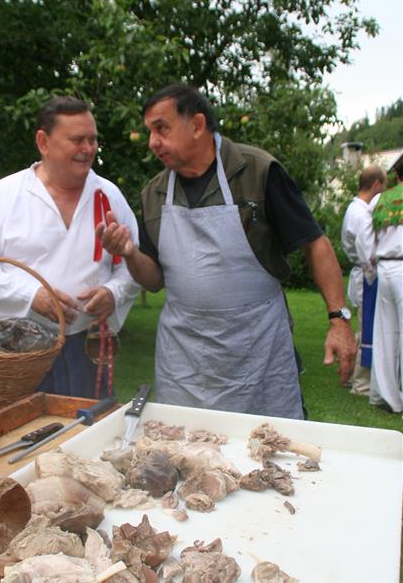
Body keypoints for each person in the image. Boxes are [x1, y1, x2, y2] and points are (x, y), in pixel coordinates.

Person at [97, 83, 357, 418]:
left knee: (265, 441)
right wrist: (130, 253)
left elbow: (314, 242)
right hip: (184, 357)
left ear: (197, 125)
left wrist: (338, 319)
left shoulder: (257, 172)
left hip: (258, 347)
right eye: (149, 131)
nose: (152, 142)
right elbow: (154, 280)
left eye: (161, 128)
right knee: (185, 442)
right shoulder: (155, 193)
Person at [0, 96, 140, 398]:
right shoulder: (6, 195)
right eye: (77, 140)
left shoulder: (109, 195)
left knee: (90, 424)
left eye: (93, 140)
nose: (89, 149)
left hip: (87, 349)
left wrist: (114, 293)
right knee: (29, 426)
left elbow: (133, 265)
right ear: (43, 142)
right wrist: (32, 296)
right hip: (20, 350)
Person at [356, 153, 403, 414]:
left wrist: (371, 268)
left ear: (396, 175)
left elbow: (365, 238)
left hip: (385, 268)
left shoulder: (380, 200)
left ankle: (385, 396)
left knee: (385, 335)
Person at [340, 165, 387, 394]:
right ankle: (361, 383)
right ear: (376, 184)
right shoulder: (360, 212)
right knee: (366, 328)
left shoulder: (356, 209)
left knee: (362, 330)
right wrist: (373, 270)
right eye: (384, 185)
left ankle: (351, 373)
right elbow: (364, 245)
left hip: (362, 272)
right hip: (366, 274)